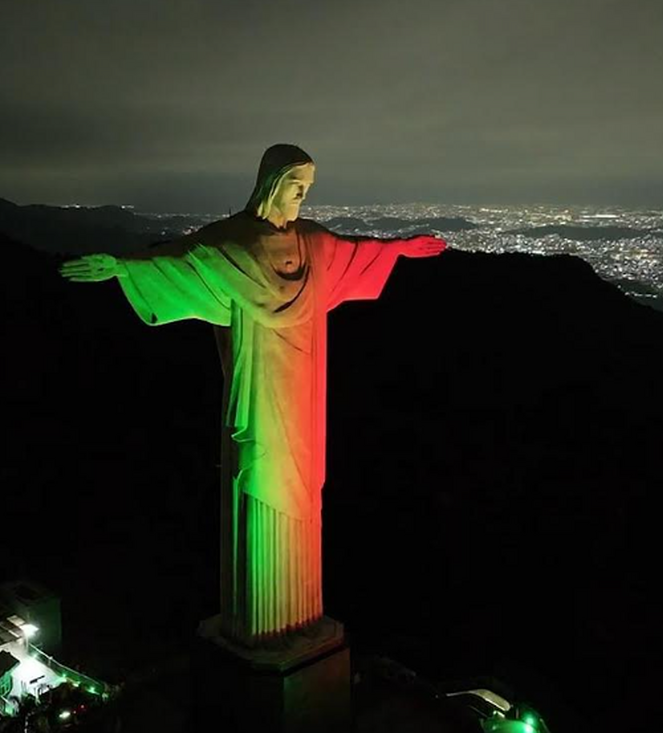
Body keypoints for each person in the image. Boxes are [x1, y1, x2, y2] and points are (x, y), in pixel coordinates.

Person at [60, 143, 446, 646]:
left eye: (308, 187)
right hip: (261, 391)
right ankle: (259, 627)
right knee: (261, 481)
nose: (303, 195)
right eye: (295, 185)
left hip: (305, 393)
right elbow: (181, 260)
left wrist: (397, 249)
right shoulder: (233, 244)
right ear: (270, 183)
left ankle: (299, 621)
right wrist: (122, 266)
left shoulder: (312, 242)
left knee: (304, 493)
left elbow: (355, 251)